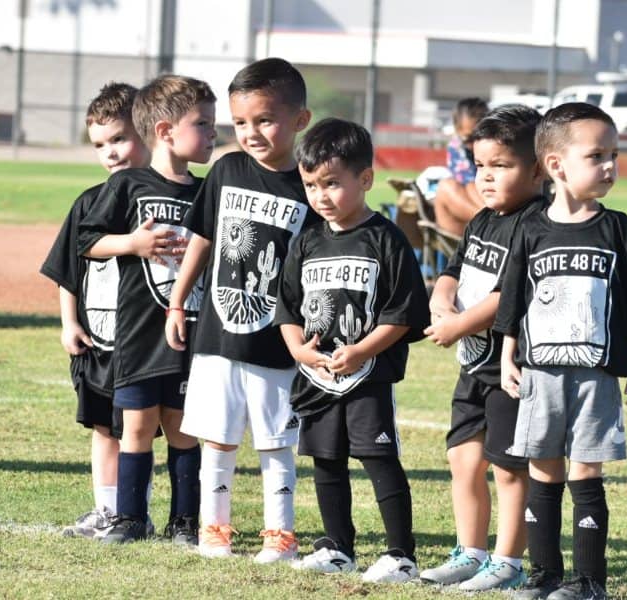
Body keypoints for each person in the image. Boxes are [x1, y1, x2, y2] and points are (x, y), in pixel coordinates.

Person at [494, 102, 627, 600]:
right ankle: (544, 574)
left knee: (586, 470)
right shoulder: (530, 229)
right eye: (597, 155)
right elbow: (513, 302)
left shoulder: (618, 229)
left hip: (596, 375)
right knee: (543, 468)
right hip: (541, 373)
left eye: (614, 154)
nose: (610, 166)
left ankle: (590, 582)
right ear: (556, 165)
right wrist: (509, 357)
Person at [164, 57, 316, 562]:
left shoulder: (311, 187)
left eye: (265, 120)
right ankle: (215, 529)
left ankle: (281, 536)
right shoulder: (227, 168)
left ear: (300, 120)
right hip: (218, 335)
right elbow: (202, 238)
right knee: (218, 438)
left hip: (279, 342)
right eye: (242, 122)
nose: (251, 132)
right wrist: (178, 300)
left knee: (276, 441)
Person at [275, 117, 431, 583]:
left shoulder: (386, 238)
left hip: (367, 377)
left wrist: (363, 350)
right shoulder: (306, 241)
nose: (320, 196)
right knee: (326, 459)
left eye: (332, 184)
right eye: (310, 185)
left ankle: (400, 554)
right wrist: (300, 351)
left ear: (365, 179)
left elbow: (403, 314)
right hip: (319, 376)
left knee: (379, 458)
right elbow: (287, 310)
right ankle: (337, 546)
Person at [77, 74, 217, 545]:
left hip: (190, 332)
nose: (214, 134)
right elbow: (88, 242)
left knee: (182, 427)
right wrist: (134, 243)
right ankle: (130, 518)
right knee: (135, 428)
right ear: (165, 130)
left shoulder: (207, 191)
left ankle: (184, 522)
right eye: (204, 123)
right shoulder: (129, 185)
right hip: (138, 334)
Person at [420, 104, 546, 590]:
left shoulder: (536, 224)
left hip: (512, 369)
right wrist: (441, 299)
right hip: (473, 366)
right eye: (480, 167)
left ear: (538, 168)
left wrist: (458, 326)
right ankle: (469, 552)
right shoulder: (482, 219)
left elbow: (509, 295)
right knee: (463, 460)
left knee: (511, 469)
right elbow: (453, 270)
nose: (487, 177)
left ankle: (507, 563)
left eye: (501, 166)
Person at [40, 82, 157, 538]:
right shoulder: (89, 202)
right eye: (100, 144)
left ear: (149, 131)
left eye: (120, 138)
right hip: (100, 338)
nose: (110, 152)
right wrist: (69, 322)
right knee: (104, 427)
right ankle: (108, 510)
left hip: (149, 342)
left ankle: (139, 512)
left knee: (141, 429)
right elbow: (67, 268)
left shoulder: (167, 198)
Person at [433, 97, 489, 236]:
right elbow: (469, 183)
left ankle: (494, 221)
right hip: (476, 203)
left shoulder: (495, 145)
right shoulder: (457, 147)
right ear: (457, 131)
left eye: (479, 136)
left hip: (489, 199)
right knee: (449, 186)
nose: (473, 143)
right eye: (468, 138)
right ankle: (492, 221)